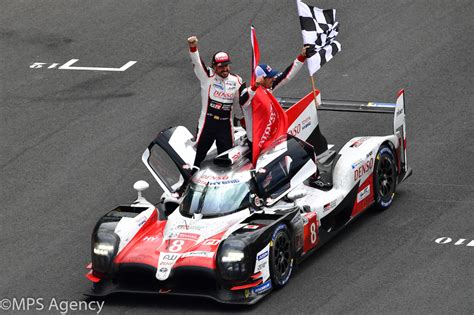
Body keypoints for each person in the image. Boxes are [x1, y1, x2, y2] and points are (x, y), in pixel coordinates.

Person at [187, 36, 245, 168]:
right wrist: (193, 47)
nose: (225, 69)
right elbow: (197, 62)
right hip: (208, 122)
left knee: (226, 157)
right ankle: (187, 182)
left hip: (225, 125)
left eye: (226, 66)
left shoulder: (236, 80)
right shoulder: (207, 76)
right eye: (221, 67)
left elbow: (237, 107)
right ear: (214, 66)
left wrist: (244, 122)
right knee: (199, 156)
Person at [239, 46, 309, 146]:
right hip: (257, 143)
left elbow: (286, 75)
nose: (273, 78)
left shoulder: (268, 88)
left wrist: (301, 57)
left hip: (271, 137)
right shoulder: (248, 92)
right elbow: (243, 102)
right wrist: (255, 87)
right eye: (270, 77)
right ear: (261, 79)